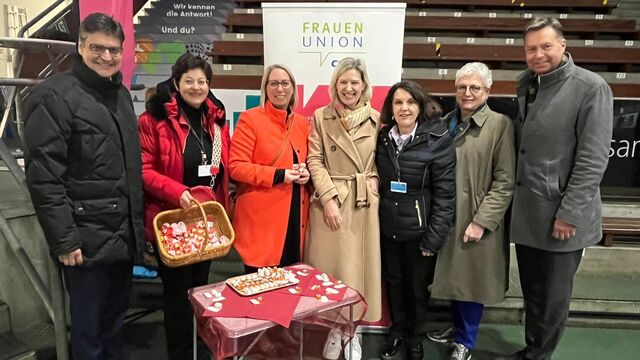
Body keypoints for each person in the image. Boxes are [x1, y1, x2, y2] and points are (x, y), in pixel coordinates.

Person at [22, 13, 145, 359]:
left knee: (114, 327)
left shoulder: (119, 95)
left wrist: (137, 231)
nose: (106, 57)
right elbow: (44, 177)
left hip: (121, 238)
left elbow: (128, 169)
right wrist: (65, 239)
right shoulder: (53, 96)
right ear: (80, 46)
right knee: (88, 337)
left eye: (113, 50)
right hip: (84, 245)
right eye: (97, 48)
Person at [501, 18, 613, 360]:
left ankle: (538, 355)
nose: (538, 54)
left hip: (561, 217)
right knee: (534, 293)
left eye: (546, 46)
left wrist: (569, 213)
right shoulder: (529, 84)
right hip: (530, 212)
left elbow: (593, 160)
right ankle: (532, 349)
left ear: (563, 46)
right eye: (531, 48)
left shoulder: (591, 88)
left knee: (552, 298)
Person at [138, 52, 230, 359]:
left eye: (202, 81)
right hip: (172, 219)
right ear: (176, 84)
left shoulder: (216, 120)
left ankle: (198, 347)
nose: (196, 87)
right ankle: (180, 352)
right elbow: (144, 169)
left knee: (200, 290)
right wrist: (177, 192)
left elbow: (220, 169)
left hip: (206, 221)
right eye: (188, 80)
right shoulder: (154, 119)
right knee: (177, 295)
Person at [427, 62, 515, 360]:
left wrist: (482, 221)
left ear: (487, 92)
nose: (467, 93)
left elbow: (505, 181)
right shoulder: (447, 122)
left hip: (474, 215)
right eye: (462, 87)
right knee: (455, 278)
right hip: (447, 213)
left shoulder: (500, 125)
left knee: (472, 281)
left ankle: (466, 340)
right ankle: (455, 329)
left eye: (474, 87)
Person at [305, 57, 381, 360]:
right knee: (333, 273)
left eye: (354, 82)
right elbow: (315, 159)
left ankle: (354, 331)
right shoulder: (320, 117)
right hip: (331, 204)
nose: (349, 88)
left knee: (358, 273)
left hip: (363, 205)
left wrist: (374, 177)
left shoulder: (377, 119)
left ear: (363, 86)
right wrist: (329, 198)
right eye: (343, 82)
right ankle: (335, 331)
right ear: (335, 85)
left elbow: (382, 159)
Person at [376, 81, 456, 360]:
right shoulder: (383, 137)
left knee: (417, 289)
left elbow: (446, 195)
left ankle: (415, 336)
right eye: (398, 103)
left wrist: (433, 237)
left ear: (420, 106)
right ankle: (397, 331)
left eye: (410, 102)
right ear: (391, 108)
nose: (404, 108)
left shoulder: (437, 138)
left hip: (420, 232)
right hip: (388, 227)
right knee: (394, 283)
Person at [229, 64, 310, 274]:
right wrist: (279, 175)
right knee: (259, 293)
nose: (280, 89)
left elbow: (308, 160)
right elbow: (236, 167)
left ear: (293, 88)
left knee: (291, 288)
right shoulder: (250, 118)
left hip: (295, 219)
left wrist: (306, 173)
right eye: (273, 83)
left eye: (285, 83)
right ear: (265, 88)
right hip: (261, 222)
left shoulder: (302, 123)